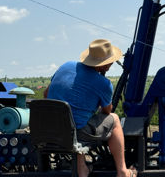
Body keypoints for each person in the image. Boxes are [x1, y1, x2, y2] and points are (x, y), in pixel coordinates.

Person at [44, 39, 137, 177]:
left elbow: (46, 94)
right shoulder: (104, 84)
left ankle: (82, 170)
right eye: (111, 60)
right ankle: (123, 171)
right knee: (115, 120)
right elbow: (107, 111)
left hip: (50, 128)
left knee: (76, 119)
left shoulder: (66, 66)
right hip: (76, 133)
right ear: (104, 65)